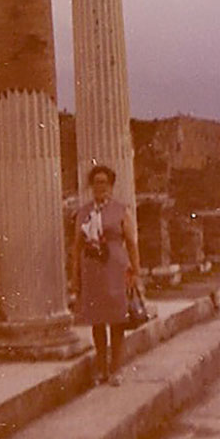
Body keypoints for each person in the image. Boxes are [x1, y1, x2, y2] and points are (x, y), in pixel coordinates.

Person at [72, 164, 142, 385]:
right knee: (97, 320)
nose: (100, 186)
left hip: (115, 267)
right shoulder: (83, 212)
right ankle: (101, 368)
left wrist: (136, 271)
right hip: (92, 270)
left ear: (111, 186)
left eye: (104, 182)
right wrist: (75, 277)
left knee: (117, 320)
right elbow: (76, 246)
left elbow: (131, 242)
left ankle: (116, 369)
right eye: (96, 182)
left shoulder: (121, 210)